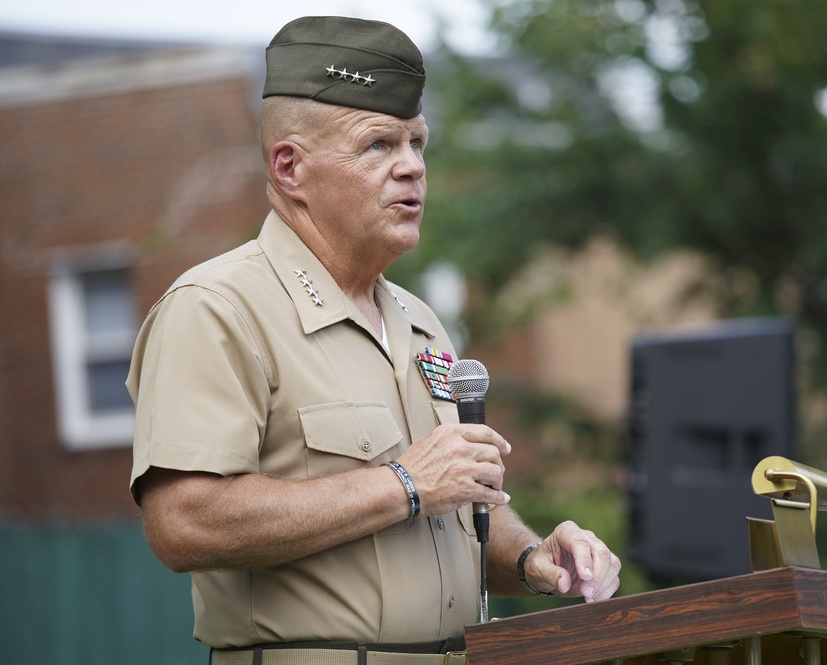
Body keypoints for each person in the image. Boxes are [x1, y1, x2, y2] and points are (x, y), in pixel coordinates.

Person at [127, 15, 621, 665]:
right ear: (291, 168)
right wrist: (402, 485)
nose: (412, 168)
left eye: (418, 144)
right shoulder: (218, 309)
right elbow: (184, 522)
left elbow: (458, 502)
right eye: (378, 146)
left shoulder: (422, 322)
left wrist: (533, 558)